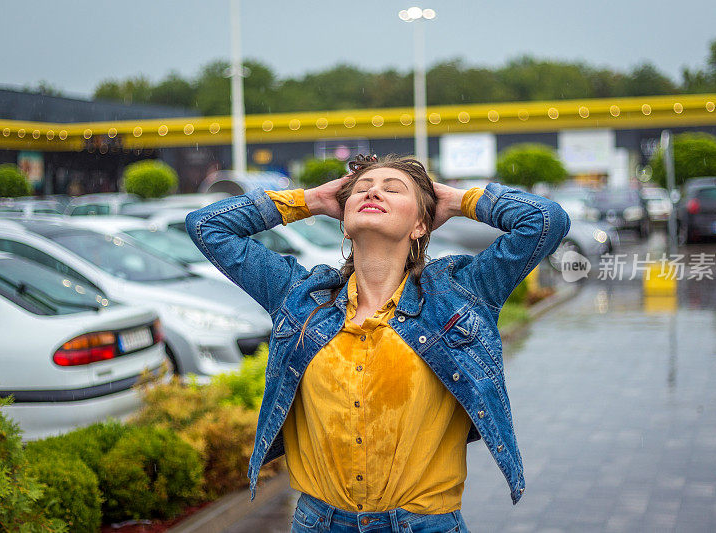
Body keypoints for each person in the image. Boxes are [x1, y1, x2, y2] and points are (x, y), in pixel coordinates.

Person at [185, 154, 571, 533]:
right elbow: (206, 226)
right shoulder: (297, 295)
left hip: (424, 525)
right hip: (318, 524)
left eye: (393, 188)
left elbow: (545, 221)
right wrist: (312, 200)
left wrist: (455, 200)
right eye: (362, 189)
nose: (373, 193)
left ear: (421, 225)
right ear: (344, 222)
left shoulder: (462, 293)